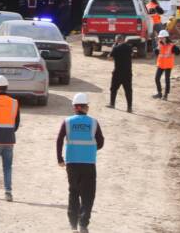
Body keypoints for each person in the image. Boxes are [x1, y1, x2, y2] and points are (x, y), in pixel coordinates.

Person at [57, 93, 105, 233]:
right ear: (86, 107)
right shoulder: (94, 122)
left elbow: (59, 139)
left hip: (72, 163)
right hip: (88, 163)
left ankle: (73, 225)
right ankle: (83, 224)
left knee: (73, 192)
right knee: (88, 194)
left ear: (74, 107)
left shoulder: (67, 122)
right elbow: (101, 142)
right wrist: (90, 149)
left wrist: (60, 158)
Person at [106, 35, 133, 112]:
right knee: (128, 90)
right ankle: (129, 107)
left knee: (113, 89)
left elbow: (109, 58)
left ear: (117, 40)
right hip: (128, 73)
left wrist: (112, 49)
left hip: (117, 72)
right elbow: (131, 55)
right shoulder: (129, 47)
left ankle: (112, 104)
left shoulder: (116, 48)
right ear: (124, 40)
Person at [153, 30, 180, 100]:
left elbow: (178, 52)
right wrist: (156, 50)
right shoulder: (159, 44)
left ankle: (165, 95)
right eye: (160, 38)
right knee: (157, 78)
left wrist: (175, 51)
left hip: (168, 65)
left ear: (166, 37)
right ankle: (159, 93)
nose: (160, 39)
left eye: (162, 38)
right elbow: (157, 53)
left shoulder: (172, 46)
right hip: (161, 64)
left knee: (167, 80)